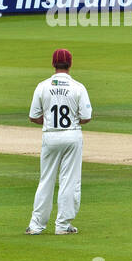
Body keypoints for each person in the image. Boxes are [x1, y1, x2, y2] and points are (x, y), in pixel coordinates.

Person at [26, 49, 92, 235]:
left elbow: (33, 116)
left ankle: (36, 226)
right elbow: (86, 117)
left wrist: (49, 121)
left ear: (53, 64)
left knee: (46, 180)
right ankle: (62, 226)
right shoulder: (78, 87)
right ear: (70, 64)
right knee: (69, 181)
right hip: (72, 135)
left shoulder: (42, 86)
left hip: (50, 135)